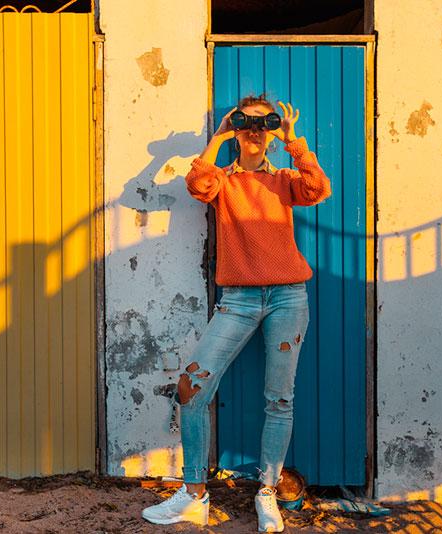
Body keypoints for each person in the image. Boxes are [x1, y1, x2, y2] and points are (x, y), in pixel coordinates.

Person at [141, 93, 331, 532]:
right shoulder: (224, 181)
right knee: (191, 387)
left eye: (263, 124)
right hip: (239, 300)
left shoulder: (284, 179)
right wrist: (221, 133)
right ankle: (193, 495)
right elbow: (197, 184)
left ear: (271, 133)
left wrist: (293, 140)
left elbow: (318, 188)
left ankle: (267, 494)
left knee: (279, 399)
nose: (255, 131)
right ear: (236, 127)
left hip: (288, 296)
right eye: (248, 123)